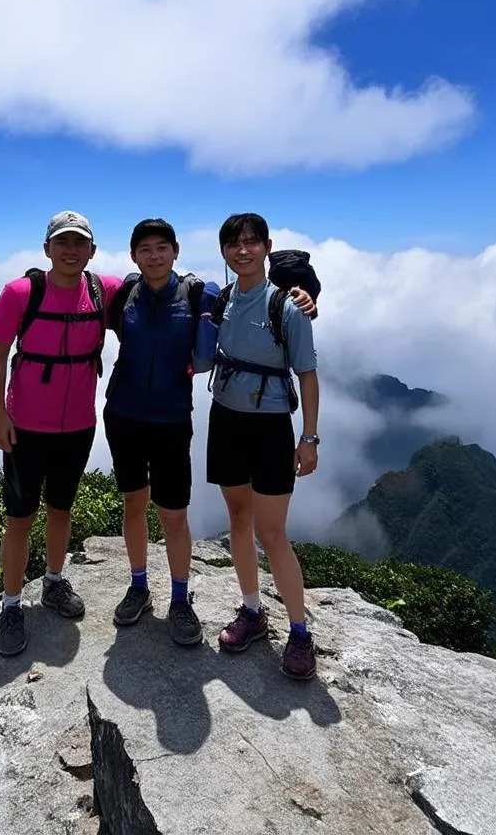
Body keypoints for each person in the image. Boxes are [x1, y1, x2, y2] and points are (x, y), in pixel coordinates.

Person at [105, 218, 316, 647]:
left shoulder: (204, 293)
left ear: (177, 251)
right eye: (145, 249)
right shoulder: (125, 294)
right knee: (152, 505)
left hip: (190, 421)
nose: (154, 255)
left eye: (162, 247)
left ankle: (285, 629)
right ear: (133, 256)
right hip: (146, 415)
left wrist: (307, 294)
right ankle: (146, 588)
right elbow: (81, 290)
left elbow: (298, 345)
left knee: (190, 517)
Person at [0, 210, 125, 656]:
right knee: (19, 518)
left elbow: (160, 286)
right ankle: (11, 605)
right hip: (25, 426)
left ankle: (53, 582)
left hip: (79, 425)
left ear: (92, 251)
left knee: (61, 509)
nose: (70, 250)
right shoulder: (21, 293)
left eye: (78, 243)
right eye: (61, 242)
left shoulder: (104, 291)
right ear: (47, 249)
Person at [197, 212, 321, 680]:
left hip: (271, 427)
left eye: (252, 243)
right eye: (234, 244)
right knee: (238, 518)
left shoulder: (288, 307)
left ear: (267, 247)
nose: (242, 250)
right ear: (225, 251)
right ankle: (252, 610)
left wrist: (308, 437)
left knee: (271, 532)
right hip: (226, 418)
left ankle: (300, 631)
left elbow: (307, 373)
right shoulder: (223, 298)